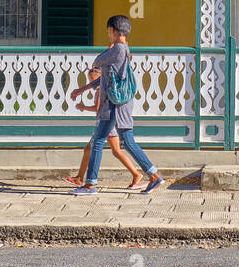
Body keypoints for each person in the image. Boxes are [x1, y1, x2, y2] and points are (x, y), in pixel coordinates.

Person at [68, 14, 166, 195]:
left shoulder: (118, 49)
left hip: (113, 105)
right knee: (127, 142)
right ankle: (154, 176)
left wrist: (110, 47)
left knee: (98, 141)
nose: (108, 35)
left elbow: (97, 61)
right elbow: (106, 78)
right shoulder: (124, 49)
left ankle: (90, 185)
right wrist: (83, 89)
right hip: (120, 104)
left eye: (108, 32)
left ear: (113, 31)